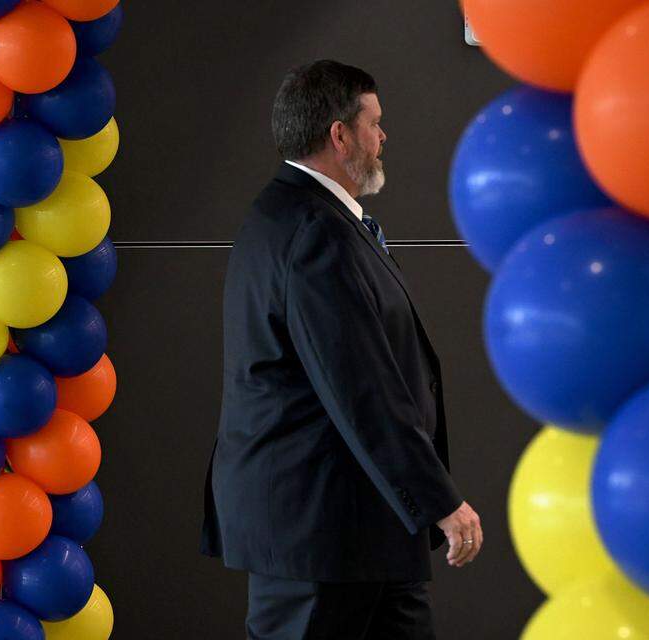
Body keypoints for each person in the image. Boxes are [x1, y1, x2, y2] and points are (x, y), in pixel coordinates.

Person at [201, 60, 483, 639]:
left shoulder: (304, 216)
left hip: (364, 528)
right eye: (374, 124)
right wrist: (439, 499)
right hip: (320, 536)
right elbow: (361, 388)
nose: (384, 138)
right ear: (339, 134)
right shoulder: (314, 232)